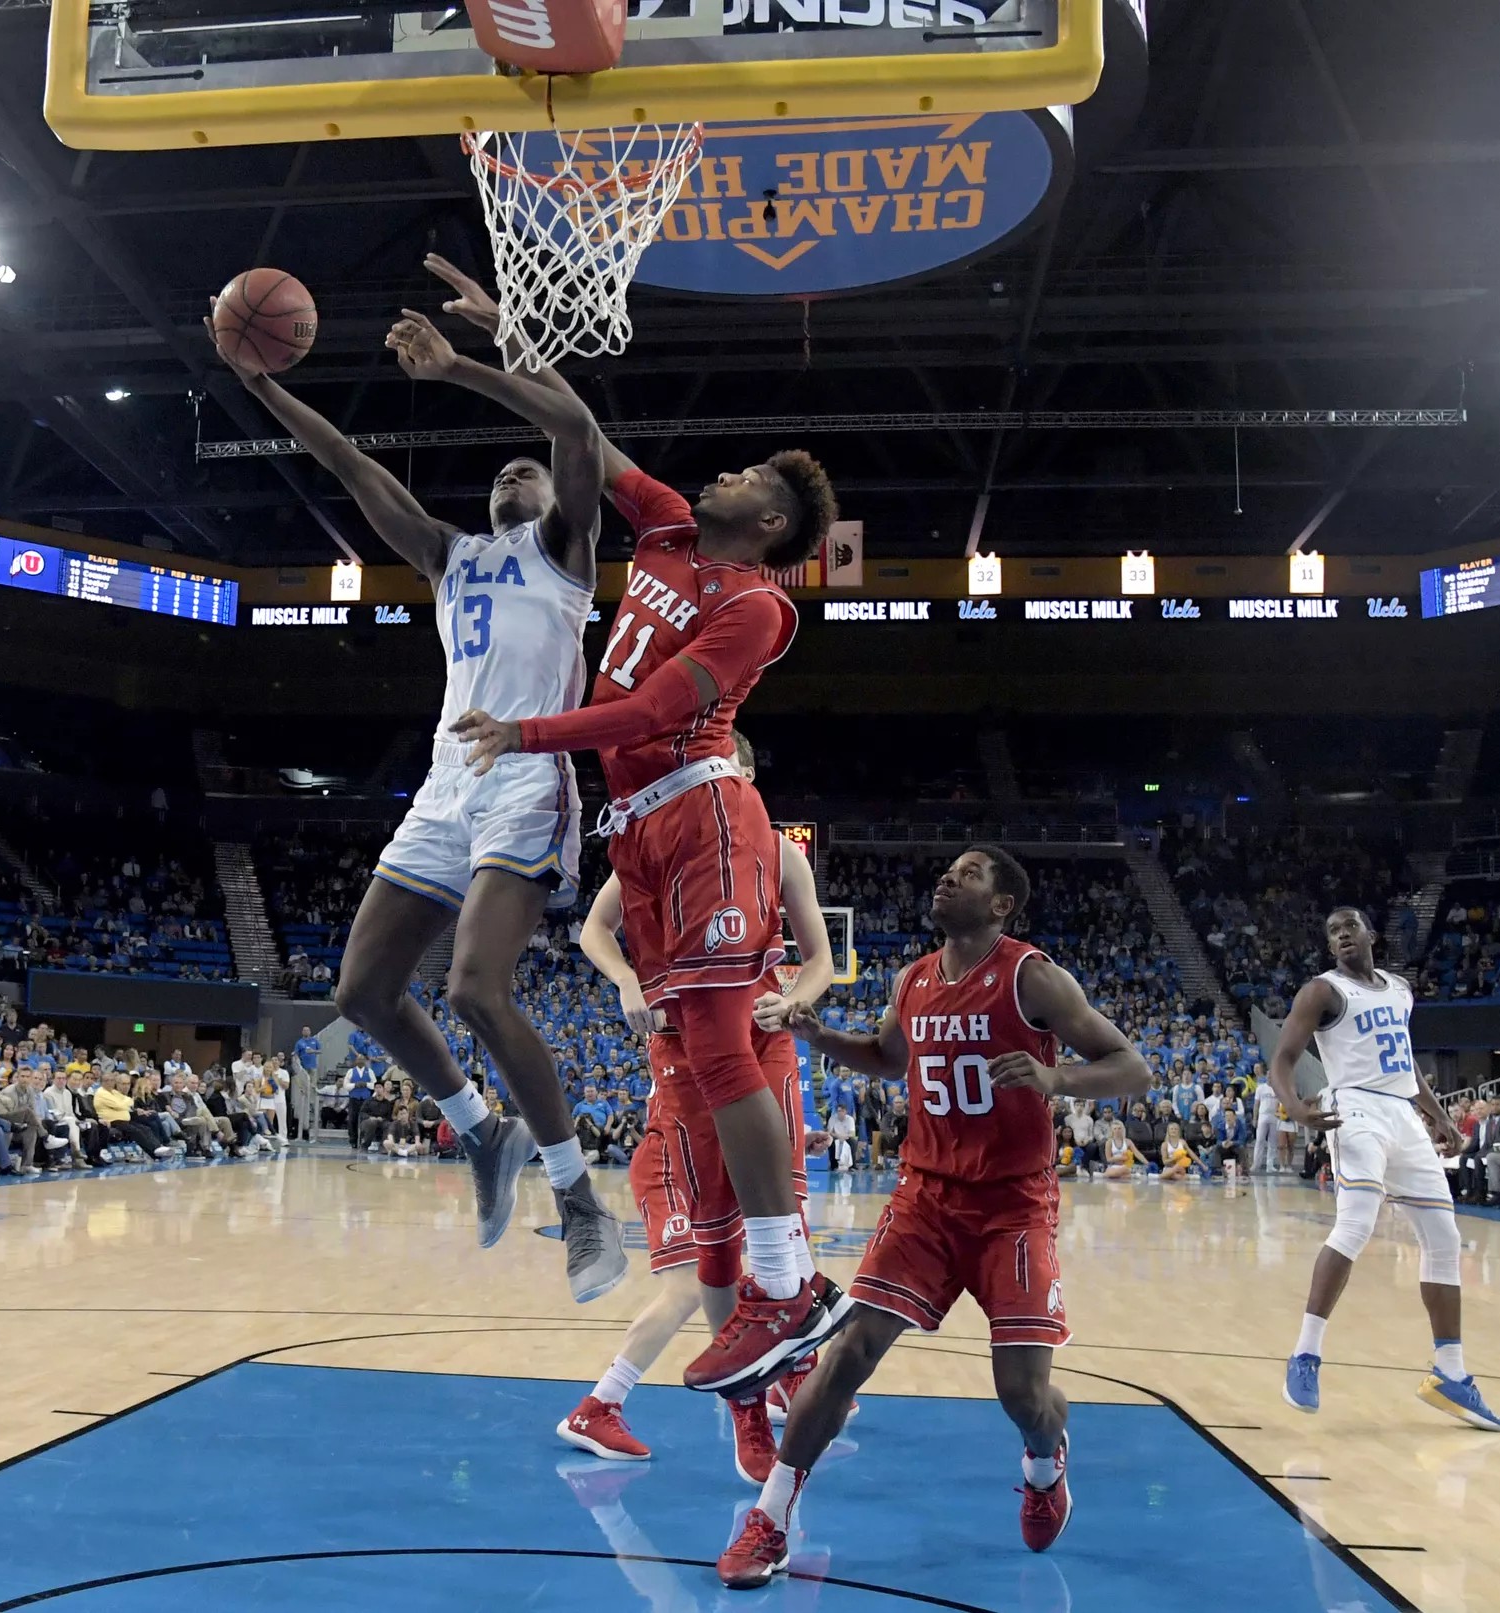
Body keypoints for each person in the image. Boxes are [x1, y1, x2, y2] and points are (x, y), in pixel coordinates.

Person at [444, 250, 841, 1390]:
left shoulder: (757, 604)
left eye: (744, 474)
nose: (715, 473)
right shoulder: (666, 527)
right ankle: (771, 1288)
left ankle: (783, 1284)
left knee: (722, 1049)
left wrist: (525, 733)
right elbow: (580, 431)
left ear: (766, 517)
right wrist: (491, 346)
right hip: (643, 831)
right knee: (703, 1047)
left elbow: (662, 706)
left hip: (706, 812)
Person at [212, 290, 624, 1302]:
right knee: (359, 992)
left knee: (475, 989)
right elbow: (348, 463)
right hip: (446, 783)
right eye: (501, 469)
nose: (514, 470)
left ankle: (578, 1199)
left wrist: (465, 365)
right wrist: (259, 383)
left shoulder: (566, 552)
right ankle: (486, 1136)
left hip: (526, 772)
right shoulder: (448, 557)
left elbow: (574, 426)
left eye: (521, 467)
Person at [719, 846, 1151, 1587]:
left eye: (969, 873)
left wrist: (1056, 1076)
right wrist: (819, 1035)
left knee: (1023, 1393)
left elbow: (1132, 1067)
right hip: (925, 1196)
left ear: (1002, 905)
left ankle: (1045, 1461)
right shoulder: (913, 978)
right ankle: (773, 1517)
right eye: (947, 869)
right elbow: (889, 1057)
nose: (947, 876)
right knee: (849, 1350)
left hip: (1013, 1205)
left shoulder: (1031, 976)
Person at [557, 761, 833, 1480]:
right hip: (682, 1050)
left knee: (786, 1214)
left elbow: (821, 960)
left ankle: (789, 1366)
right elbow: (593, 928)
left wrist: (796, 997)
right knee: (712, 1249)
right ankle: (749, 1400)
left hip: (763, 1036)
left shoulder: (779, 851)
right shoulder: (654, 842)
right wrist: (624, 978)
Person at [1269, 907, 1500, 1433]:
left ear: (1371, 935)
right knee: (1356, 1223)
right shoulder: (1322, 991)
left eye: (1349, 927)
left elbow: (1403, 1058)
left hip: (1402, 1112)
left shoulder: (1399, 988)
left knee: (1444, 1237)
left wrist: (1437, 1112)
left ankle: (1450, 1373)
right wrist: (1295, 1106)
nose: (1342, 936)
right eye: (1332, 931)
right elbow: (1281, 1059)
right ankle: (1305, 1354)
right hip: (1354, 1108)